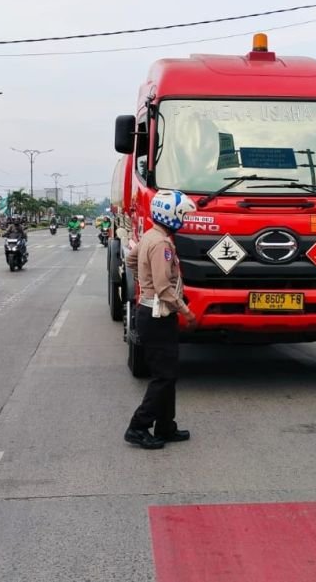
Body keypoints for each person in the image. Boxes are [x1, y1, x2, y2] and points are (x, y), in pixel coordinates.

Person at [124, 189, 198, 450]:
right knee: (163, 377)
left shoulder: (150, 236)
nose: (185, 219)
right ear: (173, 215)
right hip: (157, 316)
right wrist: (186, 311)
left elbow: (130, 259)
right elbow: (164, 288)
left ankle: (166, 426)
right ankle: (138, 426)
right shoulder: (162, 244)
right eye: (183, 215)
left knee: (168, 374)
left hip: (152, 313)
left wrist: (143, 281)